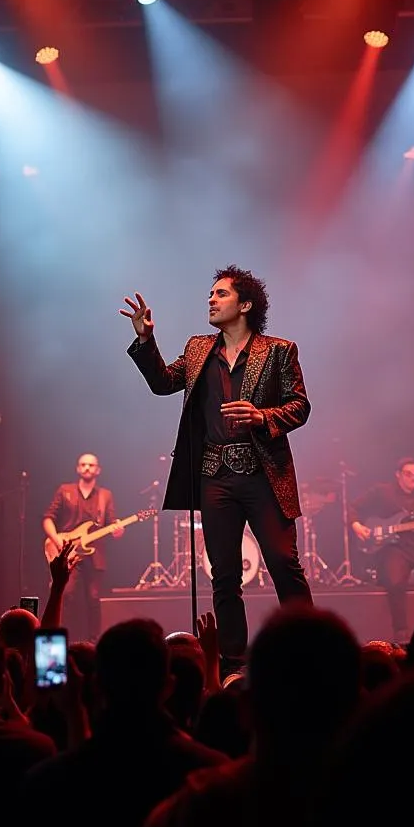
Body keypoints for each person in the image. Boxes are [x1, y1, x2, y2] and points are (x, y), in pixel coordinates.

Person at [121, 264, 314, 675]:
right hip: (215, 475)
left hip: (263, 473)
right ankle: (231, 663)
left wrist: (262, 416)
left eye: (221, 294)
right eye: (211, 294)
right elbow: (162, 382)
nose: (211, 299)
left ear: (244, 305)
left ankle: (306, 653)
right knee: (224, 575)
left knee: (284, 564)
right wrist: (145, 339)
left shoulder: (279, 350)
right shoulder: (197, 349)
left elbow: (300, 406)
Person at [349, 457, 414, 643]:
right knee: (395, 582)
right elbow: (353, 506)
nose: (413, 479)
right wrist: (356, 525)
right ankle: (401, 634)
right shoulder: (383, 491)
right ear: (398, 475)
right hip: (395, 548)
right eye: (408, 474)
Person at [41, 453, 123, 643]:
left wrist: (118, 530)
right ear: (78, 468)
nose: (87, 468)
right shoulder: (65, 490)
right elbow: (48, 518)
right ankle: (61, 638)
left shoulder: (105, 496)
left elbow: (112, 523)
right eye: (83, 464)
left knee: (94, 600)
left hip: (95, 555)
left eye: (91, 465)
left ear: (98, 470)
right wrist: (57, 540)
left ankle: (94, 642)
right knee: (65, 595)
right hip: (68, 551)